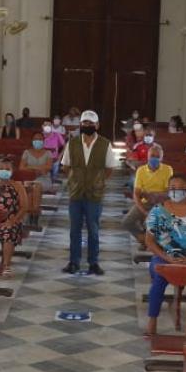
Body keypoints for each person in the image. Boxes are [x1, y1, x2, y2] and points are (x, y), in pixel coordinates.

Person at [144, 174, 186, 337]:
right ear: (168, 190)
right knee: (160, 277)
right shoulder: (157, 211)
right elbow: (150, 241)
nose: (176, 192)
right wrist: (167, 258)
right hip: (164, 256)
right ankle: (152, 320)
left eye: (180, 188)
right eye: (172, 188)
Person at [61, 109, 117, 275]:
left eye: (91, 123)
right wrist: (76, 179)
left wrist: (98, 181)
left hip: (94, 194)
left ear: (97, 125)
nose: (87, 125)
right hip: (76, 193)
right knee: (74, 229)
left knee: (93, 229)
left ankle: (93, 263)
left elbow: (109, 169)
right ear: (81, 124)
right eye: (85, 123)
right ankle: (74, 262)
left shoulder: (105, 144)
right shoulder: (72, 143)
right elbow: (66, 166)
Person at [124, 145, 173, 245]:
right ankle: (143, 239)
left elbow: (169, 193)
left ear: (161, 158)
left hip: (161, 203)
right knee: (127, 222)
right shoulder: (141, 170)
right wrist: (144, 212)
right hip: (145, 202)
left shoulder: (167, 170)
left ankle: (152, 242)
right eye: (152, 156)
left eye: (157, 156)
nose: (154, 158)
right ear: (147, 156)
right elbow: (136, 194)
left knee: (150, 222)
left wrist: (155, 195)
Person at [19, 134, 53, 218]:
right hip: (29, 177)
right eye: (35, 139)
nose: (37, 141)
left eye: (40, 139)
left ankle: (34, 210)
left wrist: (30, 167)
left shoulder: (48, 153)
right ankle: (31, 212)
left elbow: (48, 167)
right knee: (29, 186)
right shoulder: (26, 152)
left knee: (37, 186)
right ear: (32, 141)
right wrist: (38, 169)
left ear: (43, 141)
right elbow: (21, 167)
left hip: (44, 178)